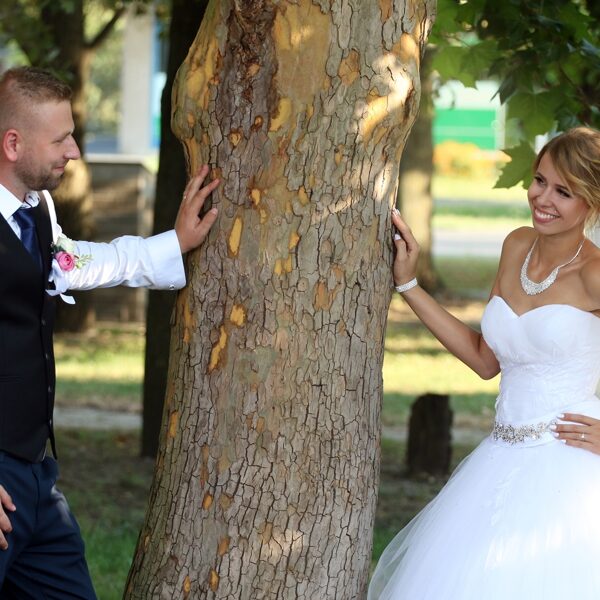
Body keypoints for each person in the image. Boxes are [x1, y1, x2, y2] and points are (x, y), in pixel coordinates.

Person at [0, 66, 219, 598]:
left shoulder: (37, 209)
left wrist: (173, 243)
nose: (74, 151)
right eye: (60, 139)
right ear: (13, 144)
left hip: (35, 476)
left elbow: (74, 263)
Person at [369, 126, 600, 599]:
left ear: (591, 201)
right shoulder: (516, 245)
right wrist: (409, 285)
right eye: (540, 181)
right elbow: (483, 359)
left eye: (564, 192)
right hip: (498, 458)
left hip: (570, 466)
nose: (543, 199)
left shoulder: (596, 273)